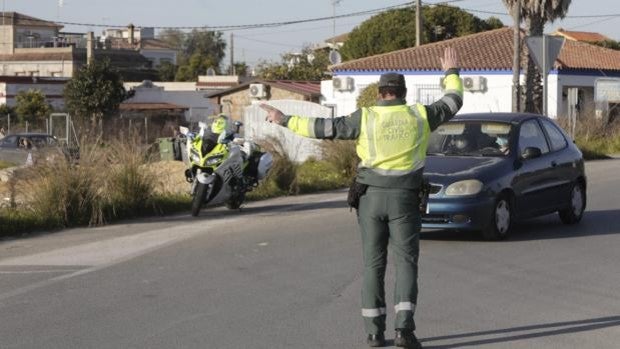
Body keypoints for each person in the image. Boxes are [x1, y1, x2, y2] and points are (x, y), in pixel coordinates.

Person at [260, 47, 463, 348]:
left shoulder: (365, 117)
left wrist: (284, 119)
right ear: (403, 93)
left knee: (373, 264)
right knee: (406, 262)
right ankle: (404, 332)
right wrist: (451, 73)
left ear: (380, 93)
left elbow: (324, 128)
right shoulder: (420, 115)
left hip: (370, 199)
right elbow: (453, 101)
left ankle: (373, 333)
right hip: (405, 199)